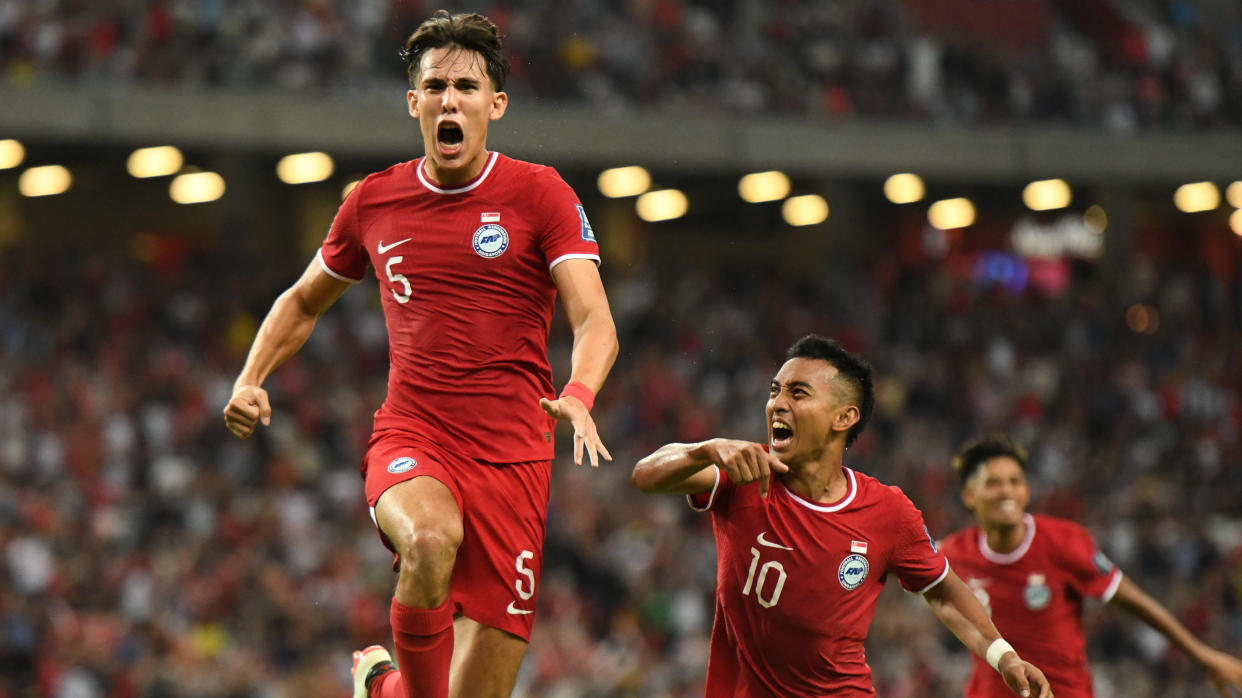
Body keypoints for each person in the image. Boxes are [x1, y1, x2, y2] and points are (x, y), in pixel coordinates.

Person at [222, 10, 618, 698]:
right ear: (415, 103)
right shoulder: (374, 202)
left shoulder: (540, 193)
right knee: (429, 540)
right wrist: (250, 377)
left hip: (515, 460)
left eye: (466, 86)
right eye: (435, 86)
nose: (449, 100)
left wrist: (580, 395)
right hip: (416, 436)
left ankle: (382, 685)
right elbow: (302, 300)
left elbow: (594, 320)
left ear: (494, 103)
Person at [632, 335, 1053, 697]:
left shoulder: (887, 512)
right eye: (775, 390)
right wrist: (703, 448)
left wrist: (1004, 657)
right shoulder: (743, 471)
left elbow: (943, 591)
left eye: (798, 393)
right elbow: (646, 476)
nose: (777, 404)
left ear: (844, 417)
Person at [939, 434, 1242, 697]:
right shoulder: (953, 556)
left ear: (1026, 491)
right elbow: (907, 561)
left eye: (1015, 481)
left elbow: (1134, 601)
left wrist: (1204, 656)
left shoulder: (1065, 542)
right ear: (969, 495)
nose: (1006, 491)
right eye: (993, 483)